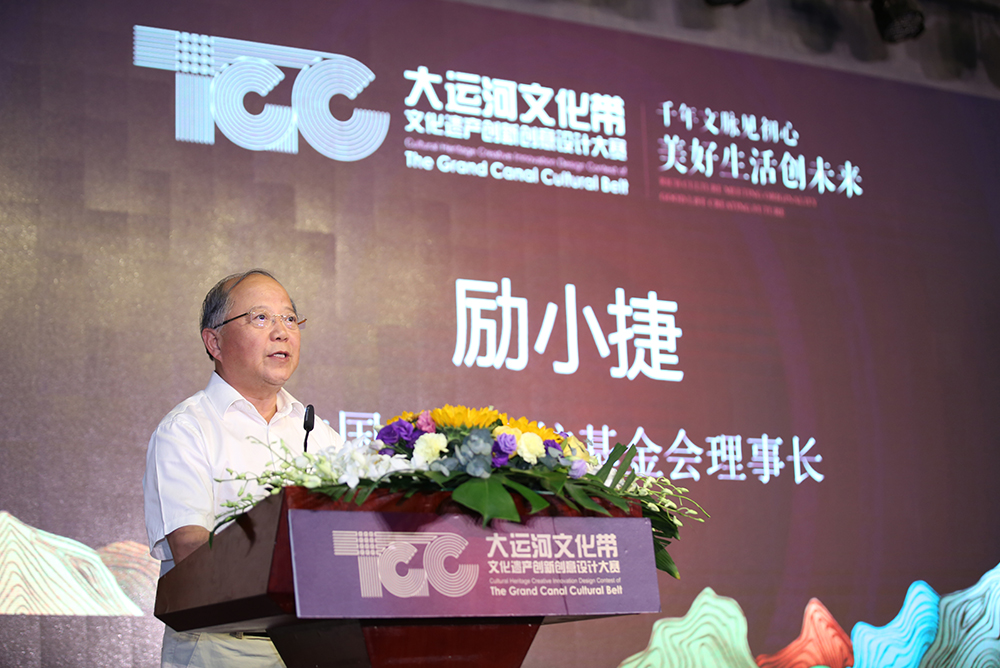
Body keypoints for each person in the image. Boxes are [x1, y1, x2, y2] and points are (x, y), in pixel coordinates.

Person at [143, 269, 343, 668]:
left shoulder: (318, 434)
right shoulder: (187, 429)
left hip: (315, 648)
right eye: (261, 318)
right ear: (214, 342)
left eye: (290, 319)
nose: (282, 332)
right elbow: (191, 550)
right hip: (223, 647)